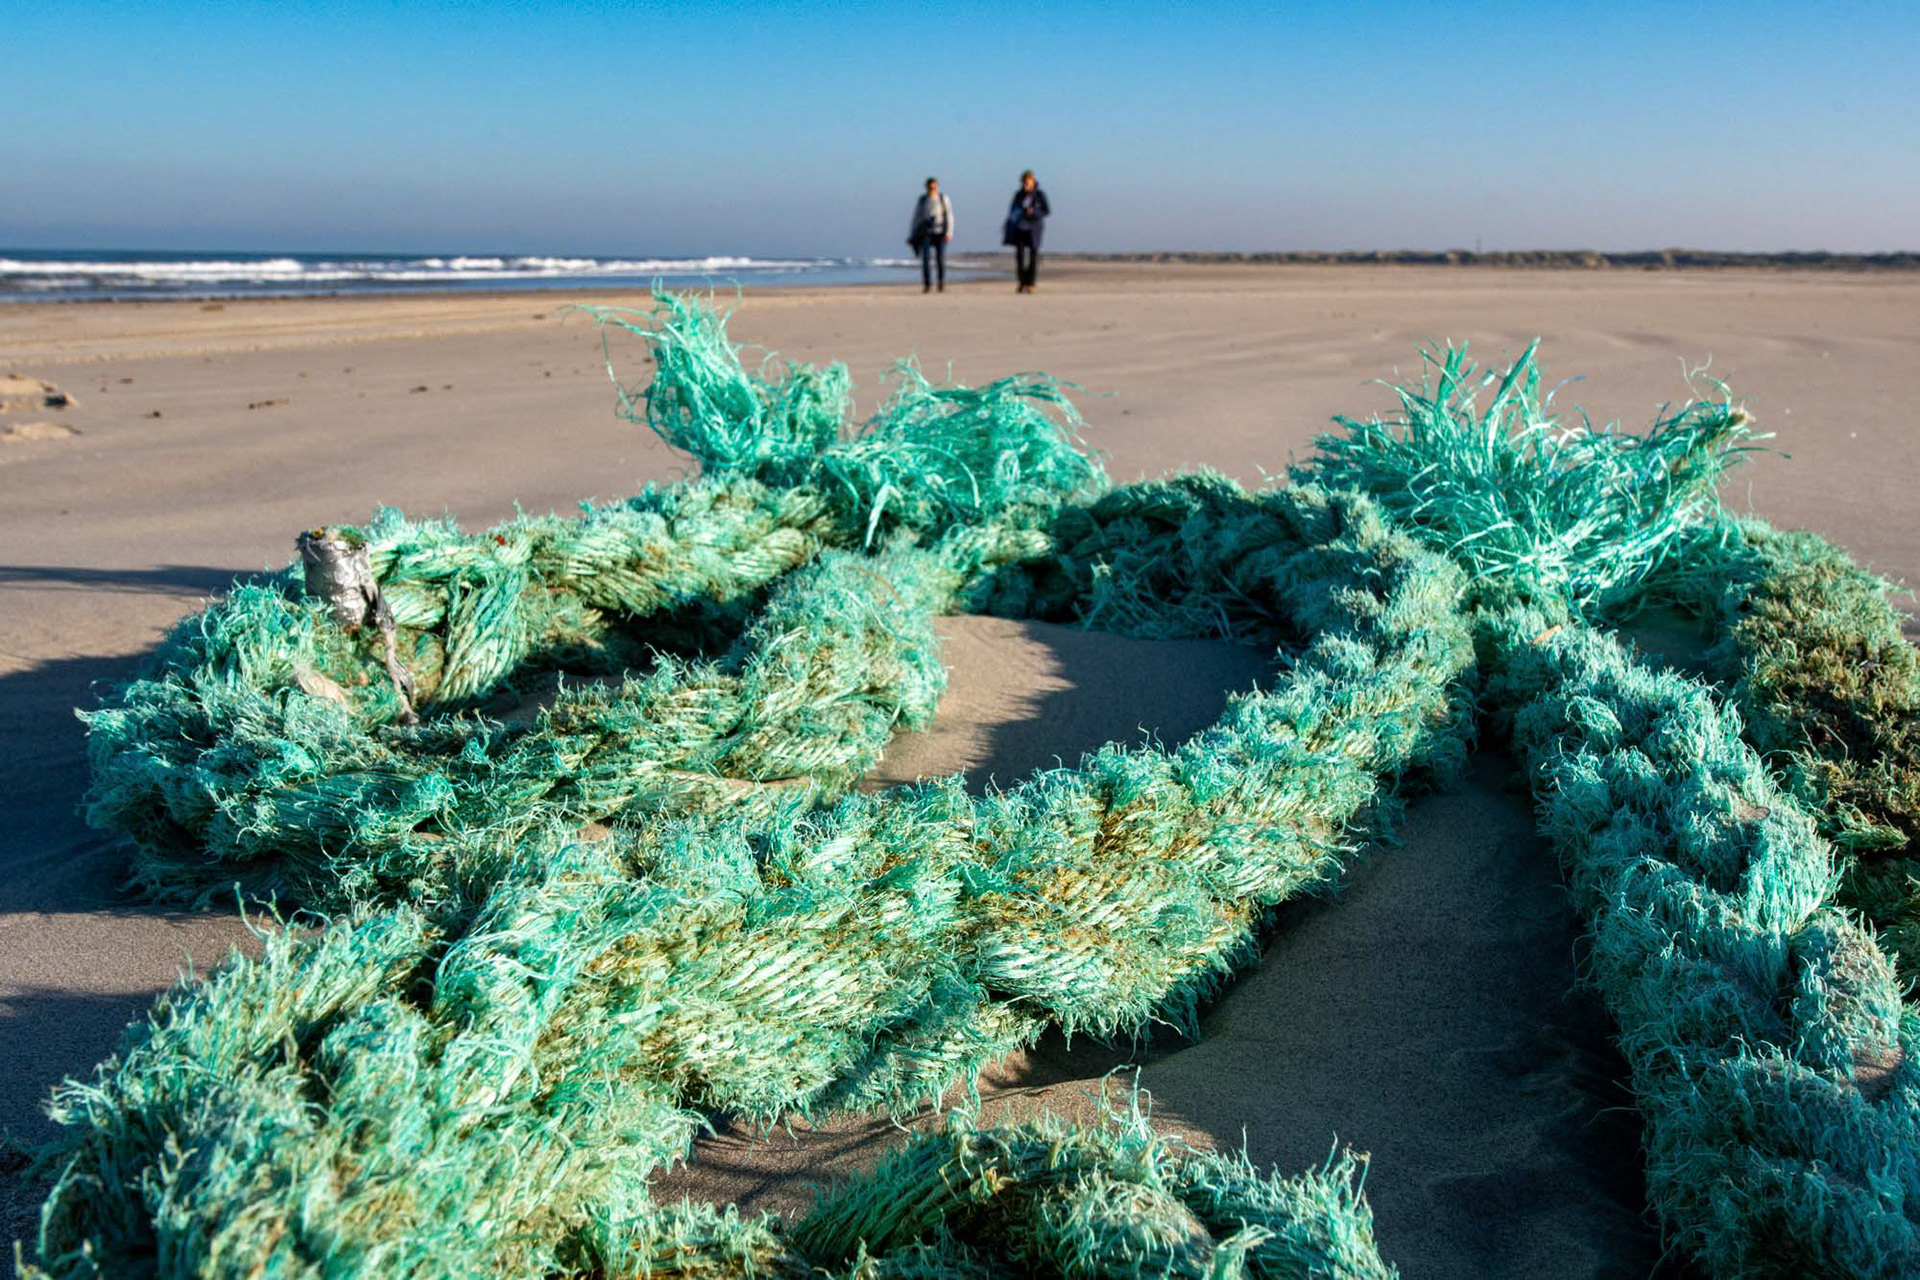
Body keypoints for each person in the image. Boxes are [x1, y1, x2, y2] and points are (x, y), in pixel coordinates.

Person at [1002, 170, 1050, 293]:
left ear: (1033, 182)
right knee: (1020, 257)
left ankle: (1031, 283)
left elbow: (1046, 210)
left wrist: (1034, 212)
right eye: (1024, 183)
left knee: (1033, 257)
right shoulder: (1018, 195)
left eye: (1028, 183)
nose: (1025, 186)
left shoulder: (1040, 195)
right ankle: (1022, 282)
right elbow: (1012, 210)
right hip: (1020, 228)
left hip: (1034, 229)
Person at [907, 177, 954, 293]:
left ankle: (941, 283)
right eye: (930, 186)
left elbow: (949, 216)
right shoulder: (922, 200)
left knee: (940, 259)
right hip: (925, 233)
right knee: (925, 260)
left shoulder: (943, 199)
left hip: (940, 232)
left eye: (934, 186)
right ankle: (927, 284)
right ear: (926, 187)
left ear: (937, 186)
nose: (932, 188)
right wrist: (912, 234)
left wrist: (949, 232)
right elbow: (916, 217)